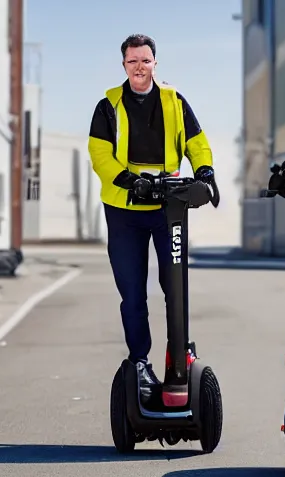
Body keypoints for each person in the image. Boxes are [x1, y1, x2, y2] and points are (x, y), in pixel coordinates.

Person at [88, 34, 215, 402]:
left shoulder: (175, 101)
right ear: (124, 65)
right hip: (125, 210)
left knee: (174, 286)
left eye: (145, 60)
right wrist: (129, 180)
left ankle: (180, 354)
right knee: (132, 293)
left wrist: (205, 171)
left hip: (167, 209)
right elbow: (100, 153)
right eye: (132, 61)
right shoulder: (108, 105)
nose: (139, 67)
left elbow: (197, 141)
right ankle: (139, 361)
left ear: (154, 63)